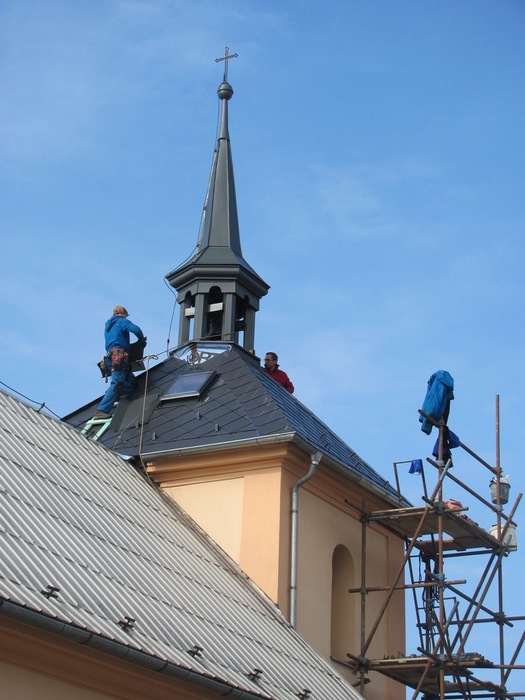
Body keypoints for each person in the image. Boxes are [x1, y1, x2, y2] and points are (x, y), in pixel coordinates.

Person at [94, 305, 146, 418]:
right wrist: (141, 341)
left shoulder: (109, 326)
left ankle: (114, 395)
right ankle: (102, 410)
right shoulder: (121, 321)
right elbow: (136, 329)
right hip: (118, 357)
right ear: (124, 314)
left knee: (132, 382)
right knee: (117, 383)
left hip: (110, 358)